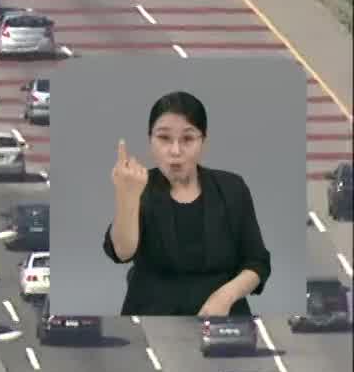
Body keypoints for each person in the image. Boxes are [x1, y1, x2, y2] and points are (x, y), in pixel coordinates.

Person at [103, 90, 271, 316]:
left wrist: (225, 297)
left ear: (204, 141)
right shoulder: (138, 184)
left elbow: (257, 262)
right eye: (164, 138)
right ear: (150, 140)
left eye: (188, 139)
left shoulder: (232, 187)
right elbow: (122, 252)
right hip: (152, 315)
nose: (175, 151)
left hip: (223, 317)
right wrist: (127, 196)